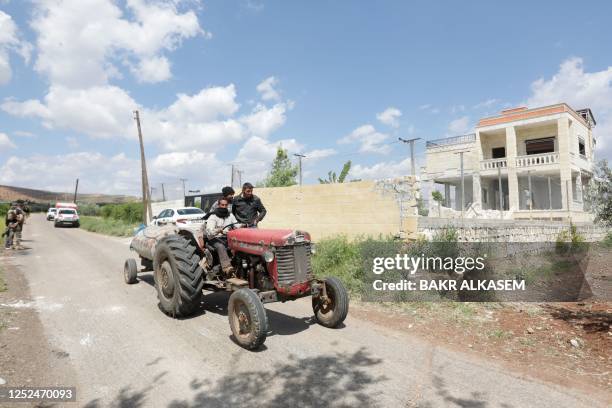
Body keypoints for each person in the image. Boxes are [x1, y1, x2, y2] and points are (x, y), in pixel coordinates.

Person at [205, 198, 239, 275]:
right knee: (221, 246)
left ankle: (240, 265)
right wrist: (218, 230)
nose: (224, 206)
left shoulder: (230, 215)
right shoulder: (213, 216)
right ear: (218, 205)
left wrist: (242, 225)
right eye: (222, 205)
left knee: (239, 244)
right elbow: (209, 231)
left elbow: (237, 225)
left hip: (227, 238)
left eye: (226, 205)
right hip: (214, 239)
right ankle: (227, 268)